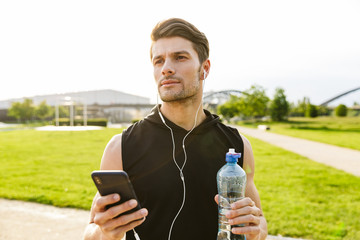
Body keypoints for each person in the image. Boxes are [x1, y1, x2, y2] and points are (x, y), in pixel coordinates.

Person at [83, 18, 268, 240]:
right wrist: (104, 233)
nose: (167, 68)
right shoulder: (120, 147)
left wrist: (256, 231)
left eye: (180, 57)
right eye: (158, 61)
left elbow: (260, 222)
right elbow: (92, 230)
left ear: (205, 68)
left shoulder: (237, 146)